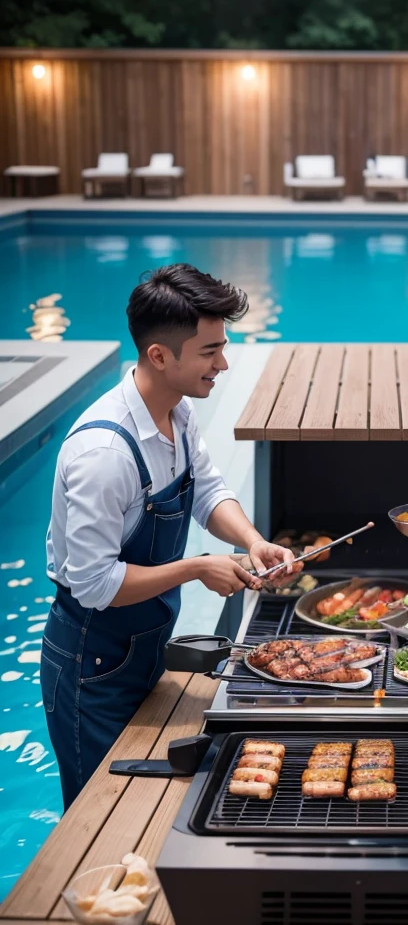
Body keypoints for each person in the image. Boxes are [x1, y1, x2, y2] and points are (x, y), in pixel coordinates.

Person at [41, 263, 295, 809]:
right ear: (160, 355)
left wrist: (251, 541)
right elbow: (93, 586)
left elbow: (206, 490)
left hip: (144, 649)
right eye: (209, 351)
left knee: (141, 802)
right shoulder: (104, 455)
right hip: (92, 667)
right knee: (98, 814)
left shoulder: (175, 412)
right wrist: (197, 568)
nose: (223, 364)